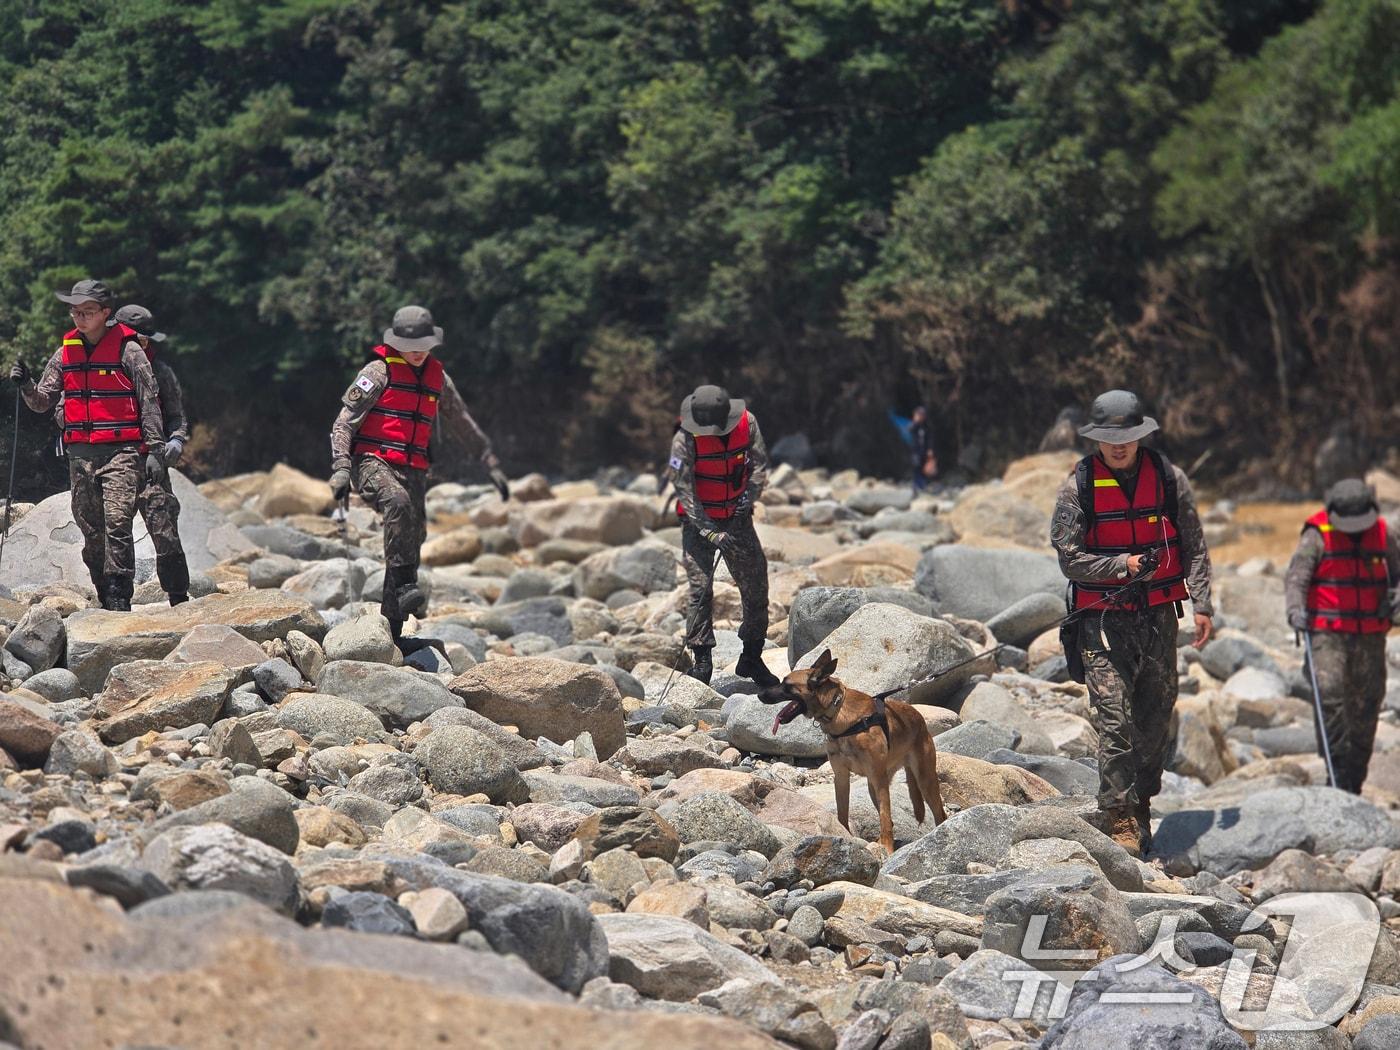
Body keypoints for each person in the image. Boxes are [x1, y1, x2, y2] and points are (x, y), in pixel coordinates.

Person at [1049, 389, 1214, 855]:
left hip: (1159, 618)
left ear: (1141, 434)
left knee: (1154, 724)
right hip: (1102, 622)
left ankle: (1141, 806)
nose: (1118, 446)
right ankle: (1119, 818)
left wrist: (1203, 603)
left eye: (1127, 437)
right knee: (1114, 722)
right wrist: (1122, 564)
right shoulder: (1077, 485)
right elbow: (1070, 559)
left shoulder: (1168, 477)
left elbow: (1195, 546)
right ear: (1096, 440)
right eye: (1109, 438)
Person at [329, 305, 507, 641]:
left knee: (413, 535)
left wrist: (488, 461)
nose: (416, 352)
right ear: (396, 343)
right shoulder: (378, 372)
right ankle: (405, 587)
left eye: (423, 346)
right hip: (371, 461)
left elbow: (461, 421)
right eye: (410, 346)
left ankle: (393, 633)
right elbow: (343, 423)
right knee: (397, 503)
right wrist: (341, 468)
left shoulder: (438, 377)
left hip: (415, 468)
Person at [9, 280, 166, 610]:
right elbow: (41, 402)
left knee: (118, 523)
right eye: (74, 310)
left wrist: (155, 450)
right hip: (80, 455)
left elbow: (149, 401)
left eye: (87, 311)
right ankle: (103, 587)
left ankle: (119, 594)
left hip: (122, 453)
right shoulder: (65, 351)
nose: (79, 317)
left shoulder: (129, 350)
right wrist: (26, 384)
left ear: (106, 313)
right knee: (91, 530)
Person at [1285, 479, 1399, 794]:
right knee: (1330, 694)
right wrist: (1295, 610)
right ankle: (1335, 773)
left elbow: (1398, 574)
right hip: (1326, 634)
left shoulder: (1385, 534)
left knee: (1368, 703)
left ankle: (1354, 782)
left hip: (1370, 635)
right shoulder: (1315, 536)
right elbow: (1296, 579)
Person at [670, 384, 776, 687]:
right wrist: (709, 531)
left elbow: (759, 465)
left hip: (737, 517)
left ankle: (752, 657)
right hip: (697, 522)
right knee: (700, 589)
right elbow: (683, 488)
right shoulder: (684, 440)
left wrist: (749, 496)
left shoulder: (748, 423)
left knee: (756, 582)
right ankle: (702, 660)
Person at [909, 405, 937, 492]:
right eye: (919, 414)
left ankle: (922, 484)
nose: (921, 416)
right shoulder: (914, 426)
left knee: (923, 467)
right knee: (916, 466)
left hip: (924, 450)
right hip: (915, 450)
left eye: (922, 415)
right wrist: (916, 422)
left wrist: (930, 449)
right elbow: (911, 431)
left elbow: (930, 438)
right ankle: (916, 485)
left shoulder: (926, 426)